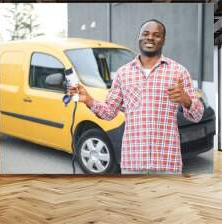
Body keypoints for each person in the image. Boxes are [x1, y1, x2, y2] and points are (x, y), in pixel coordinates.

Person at [68, 19, 204, 175]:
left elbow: (197, 115)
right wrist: (89, 100)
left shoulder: (179, 72)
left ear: (163, 40)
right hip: (133, 163)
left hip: (167, 163)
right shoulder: (123, 73)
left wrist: (186, 99)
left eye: (156, 35)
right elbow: (109, 112)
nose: (150, 38)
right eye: (145, 34)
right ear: (138, 38)